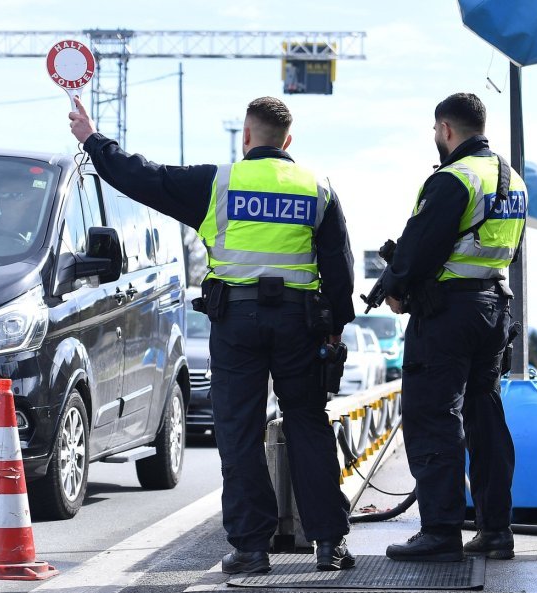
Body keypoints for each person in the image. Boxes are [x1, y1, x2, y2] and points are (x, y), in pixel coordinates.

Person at [69, 95, 356, 574]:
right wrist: (334, 330)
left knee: (239, 431)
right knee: (307, 425)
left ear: (246, 137)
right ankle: (328, 544)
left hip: (236, 322)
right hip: (299, 323)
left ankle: (251, 548)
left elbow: (144, 176)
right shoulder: (318, 188)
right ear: (288, 142)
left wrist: (93, 140)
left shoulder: (218, 183)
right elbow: (340, 270)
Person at [382, 93, 526, 562]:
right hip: (493, 308)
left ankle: (440, 532)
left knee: (432, 416)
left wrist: (397, 285)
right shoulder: (512, 179)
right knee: (484, 416)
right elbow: (510, 250)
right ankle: (496, 530)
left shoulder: (452, 179)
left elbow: (419, 248)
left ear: (446, 129)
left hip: (448, 316)